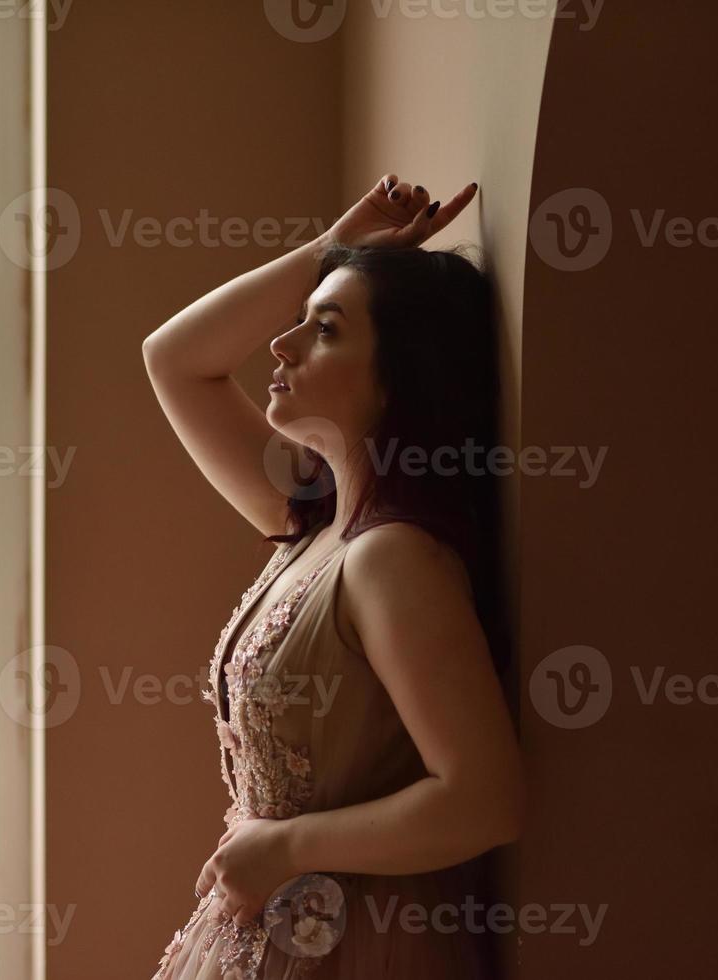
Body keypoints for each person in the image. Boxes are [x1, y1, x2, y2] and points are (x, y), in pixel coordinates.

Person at [140, 175, 523, 978]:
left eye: (323, 330)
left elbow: (482, 797)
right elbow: (173, 359)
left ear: (397, 375)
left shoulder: (391, 557)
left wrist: (287, 844)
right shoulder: (309, 525)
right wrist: (331, 251)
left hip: (356, 949)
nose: (280, 345)